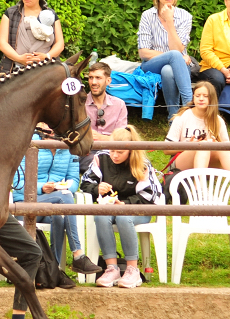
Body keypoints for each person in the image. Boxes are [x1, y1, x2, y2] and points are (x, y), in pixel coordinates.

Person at [80, 126, 163, 289]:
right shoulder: (101, 158)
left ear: (131, 151)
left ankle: (133, 269)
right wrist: (97, 189)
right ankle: (112, 268)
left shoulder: (142, 165)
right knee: (100, 216)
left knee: (123, 217)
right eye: (111, 151)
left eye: (120, 152)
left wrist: (125, 204)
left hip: (139, 209)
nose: (114, 156)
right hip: (110, 208)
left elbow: (150, 196)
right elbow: (85, 183)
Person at [12, 132, 101, 275]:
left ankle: (54, 270)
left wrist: (64, 187)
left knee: (59, 215)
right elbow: (17, 183)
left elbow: (74, 180)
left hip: (55, 202)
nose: (52, 129)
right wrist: (41, 187)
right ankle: (78, 254)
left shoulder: (69, 147)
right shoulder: (28, 142)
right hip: (25, 201)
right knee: (63, 198)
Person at [138, 0, 194, 119]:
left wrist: (169, 21)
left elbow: (177, 48)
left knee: (168, 70)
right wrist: (172, 56)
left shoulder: (185, 16)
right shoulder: (147, 16)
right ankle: (189, 107)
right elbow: (143, 52)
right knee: (174, 55)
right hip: (151, 65)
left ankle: (173, 118)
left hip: (180, 67)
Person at [164, 81, 230, 171]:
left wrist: (216, 145)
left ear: (212, 99)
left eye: (205, 96)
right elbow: (166, 150)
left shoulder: (218, 120)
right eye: (197, 96)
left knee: (220, 149)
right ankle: (199, 184)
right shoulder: (182, 117)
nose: (201, 99)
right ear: (193, 97)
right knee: (203, 145)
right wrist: (188, 146)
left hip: (209, 164)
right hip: (181, 165)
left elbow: (227, 149)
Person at [80, 61, 128, 173]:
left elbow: (121, 137)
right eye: (91, 78)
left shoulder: (119, 104)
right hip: (87, 152)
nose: (93, 82)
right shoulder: (79, 104)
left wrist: (102, 138)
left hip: (113, 152)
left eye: (98, 78)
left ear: (108, 81)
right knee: (95, 162)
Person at [0, 0, 64, 73]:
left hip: (46, 72)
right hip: (15, 72)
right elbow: (2, 43)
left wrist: (47, 57)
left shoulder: (50, 15)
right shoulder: (10, 13)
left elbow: (59, 43)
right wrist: (19, 59)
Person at [198, 3, 230, 97]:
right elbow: (205, 51)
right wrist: (224, 70)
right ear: (225, 1)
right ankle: (212, 111)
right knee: (217, 79)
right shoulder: (213, 20)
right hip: (213, 67)